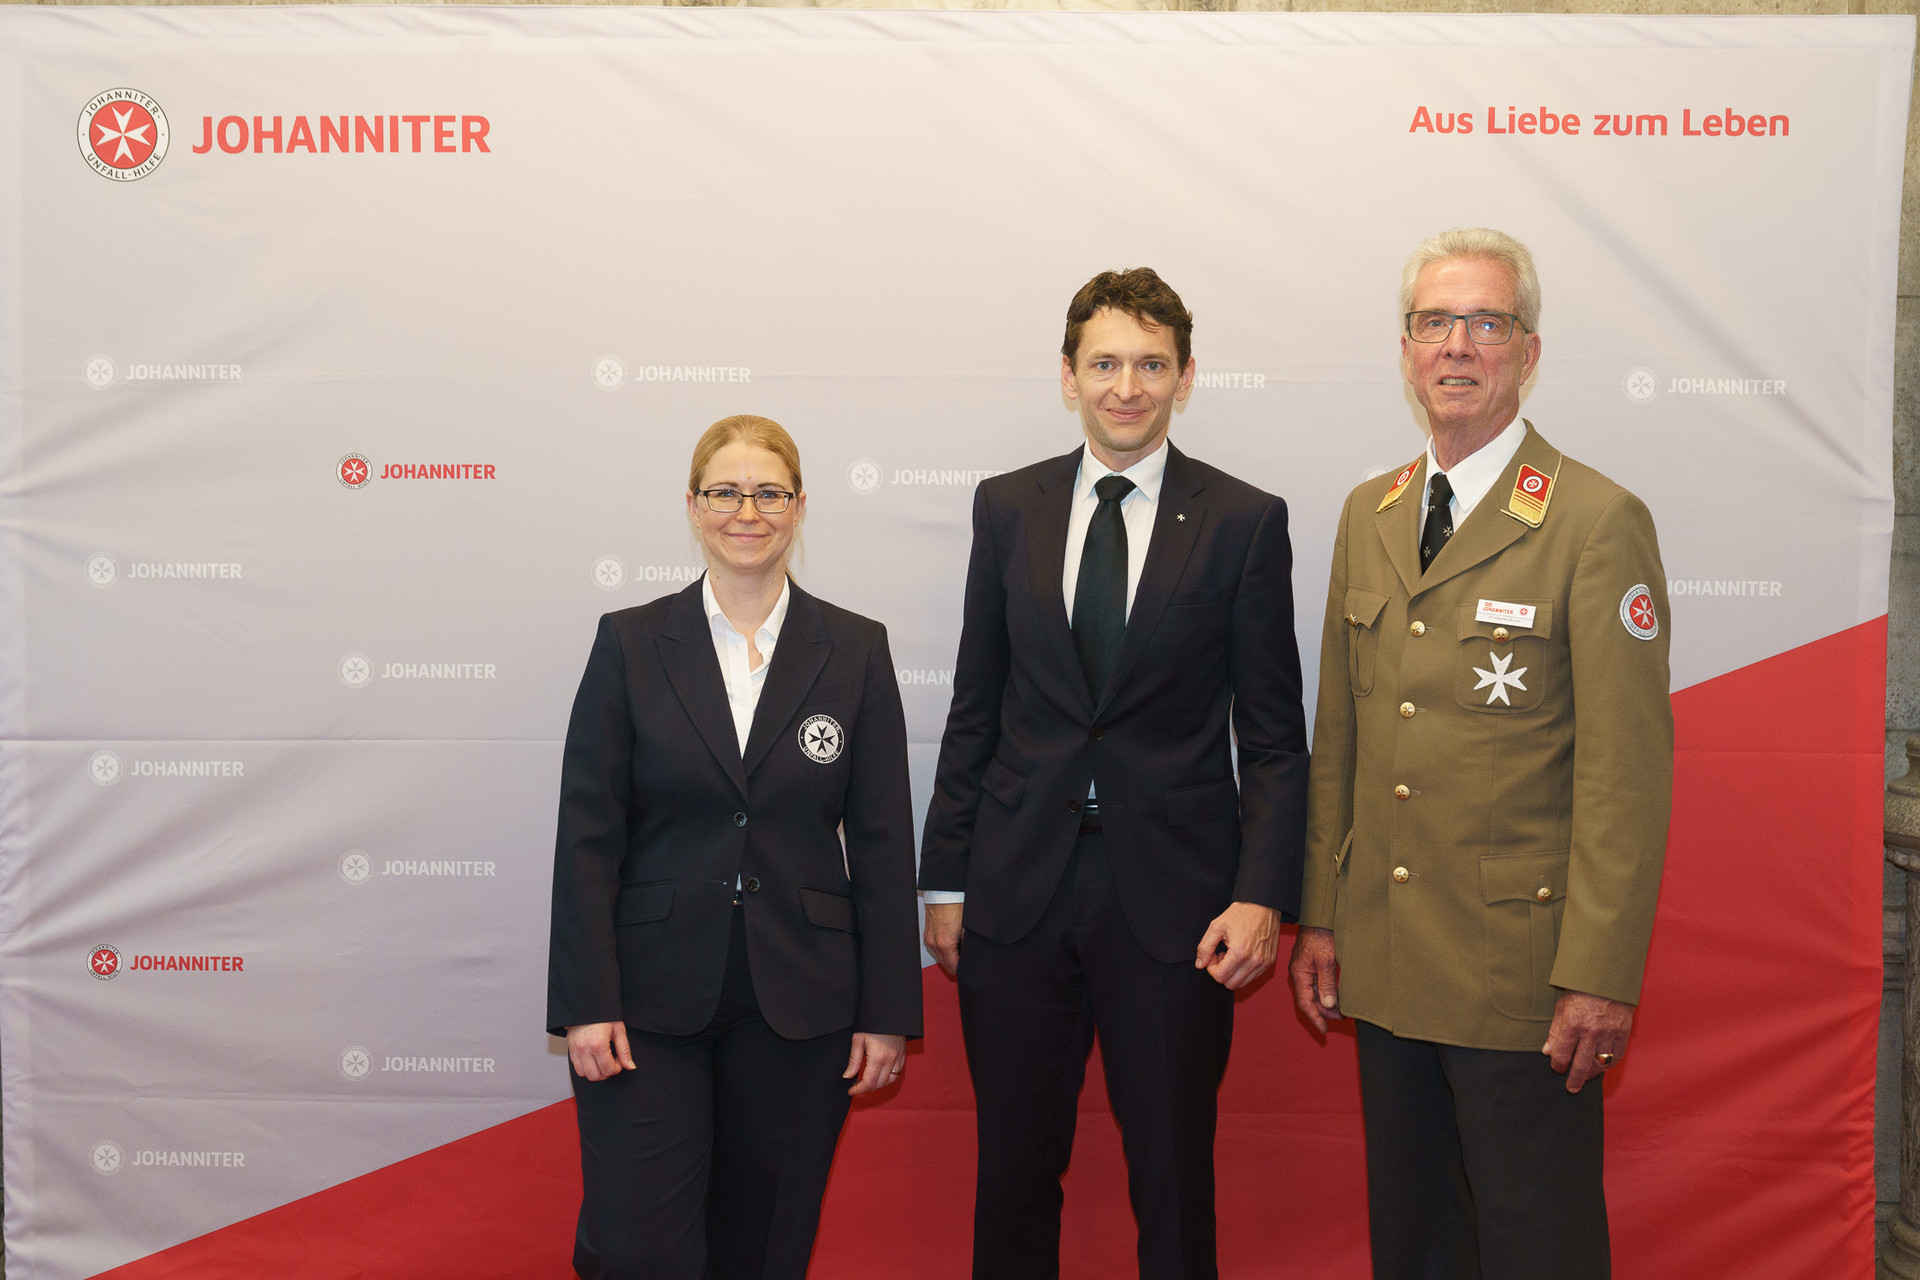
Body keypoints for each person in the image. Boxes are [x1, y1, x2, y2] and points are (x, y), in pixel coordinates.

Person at [1287, 228, 1673, 1280]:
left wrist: (1597, 970)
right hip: (1389, 950)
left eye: (1486, 322)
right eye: (1434, 323)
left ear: (1529, 350)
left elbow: (1623, 776)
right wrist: (1321, 909)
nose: (1458, 345)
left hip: (1524, 973)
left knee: (1533, 1243)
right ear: (1407, 349)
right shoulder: (1369, 514)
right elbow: (1344, 736)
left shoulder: (1595, 520)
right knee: (1416, 1243)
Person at [919, 268, 1309, 1280]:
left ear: (1185, 377)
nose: (1125, 386)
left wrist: (1264, 891)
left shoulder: (1243, 520)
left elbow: (1271, 733)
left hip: (1177, 904)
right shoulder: (1008, 507)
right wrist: (947, 881)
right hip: (1015, 892)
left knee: (1172, 1177)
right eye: (1104, 363)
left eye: (1149, 363)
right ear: (1067, 375)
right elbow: (976, 703)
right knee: (1010, 1172)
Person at [546, 414, 923, 1280]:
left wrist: (887, 1010)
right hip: (646, 1002)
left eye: (768, 493)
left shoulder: (856, 649)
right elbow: (587, 832)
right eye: (725, 491)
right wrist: (584, 999)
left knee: (763, 1249)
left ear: (798, 508)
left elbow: (879, 837)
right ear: (692, 505)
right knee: (638, 1246)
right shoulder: (631, 642)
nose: (745, 511)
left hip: (802, 1002)